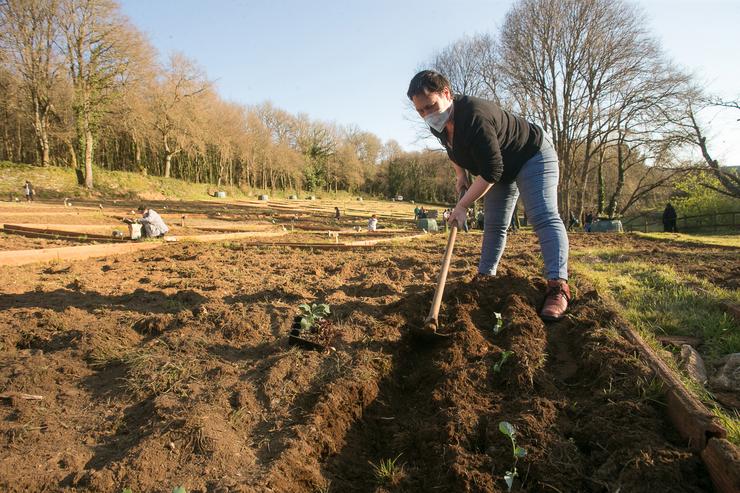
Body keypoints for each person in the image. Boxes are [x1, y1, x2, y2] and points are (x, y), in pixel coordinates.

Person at [408, 70, 570, 321]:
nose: (427, 115)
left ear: (447, 94)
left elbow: (492, 172)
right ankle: (485, 278)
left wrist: (462, 206)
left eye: (430, 106)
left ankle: (558, 287)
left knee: (542, 216)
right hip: (499, 167)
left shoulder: (474, 116)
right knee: (494, 225)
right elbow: (451, 149)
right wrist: (460, 175)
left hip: (531, 155)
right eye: (421, 111)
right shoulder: (438, 124)